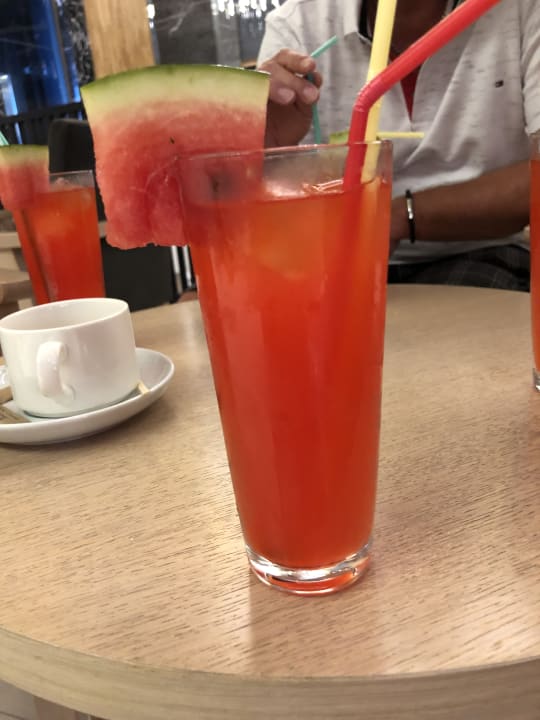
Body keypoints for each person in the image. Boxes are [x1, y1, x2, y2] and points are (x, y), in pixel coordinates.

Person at [257, 0, 540, 291]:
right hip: (334, 260)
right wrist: (270, 149)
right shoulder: (296, 24)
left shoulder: (522, 9)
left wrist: (398, 216)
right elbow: (258, 211)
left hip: (480, 251)